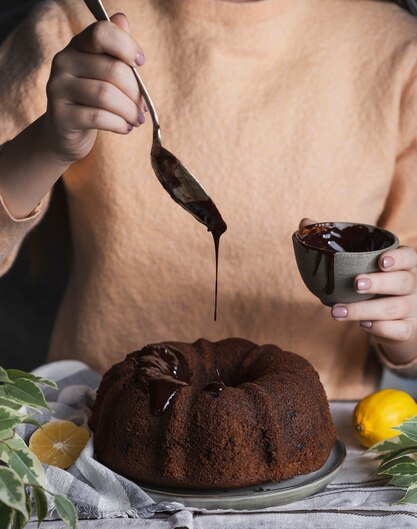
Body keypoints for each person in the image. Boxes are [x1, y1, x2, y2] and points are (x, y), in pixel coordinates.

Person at [0, 0, 417, 400]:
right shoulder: (77, 29)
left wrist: (405, 320)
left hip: (328, 437)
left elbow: (408, 317)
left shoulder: (399, 51)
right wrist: (47, 146)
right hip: (95, 416)